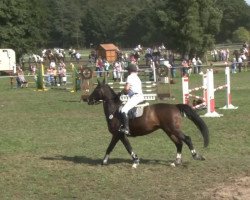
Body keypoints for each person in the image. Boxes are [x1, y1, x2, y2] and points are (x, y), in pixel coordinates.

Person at [119, 63, 144, 135]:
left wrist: (123, 91)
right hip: (140, 96)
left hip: (135, 97)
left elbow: (126, 88)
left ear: (129, 71)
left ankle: (126, 129)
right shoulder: (137, 77)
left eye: (128, 70)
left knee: (123, 110)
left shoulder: (130, 77)